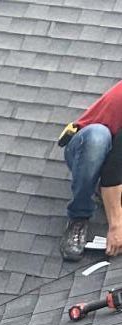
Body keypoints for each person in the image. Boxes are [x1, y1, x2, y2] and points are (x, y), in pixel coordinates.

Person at [60, 81, 122, 260]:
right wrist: (116, 226)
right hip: (85, 151)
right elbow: (113, 172)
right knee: (98, 137)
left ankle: (108, 197)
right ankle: (78, 217)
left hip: (115, 156)